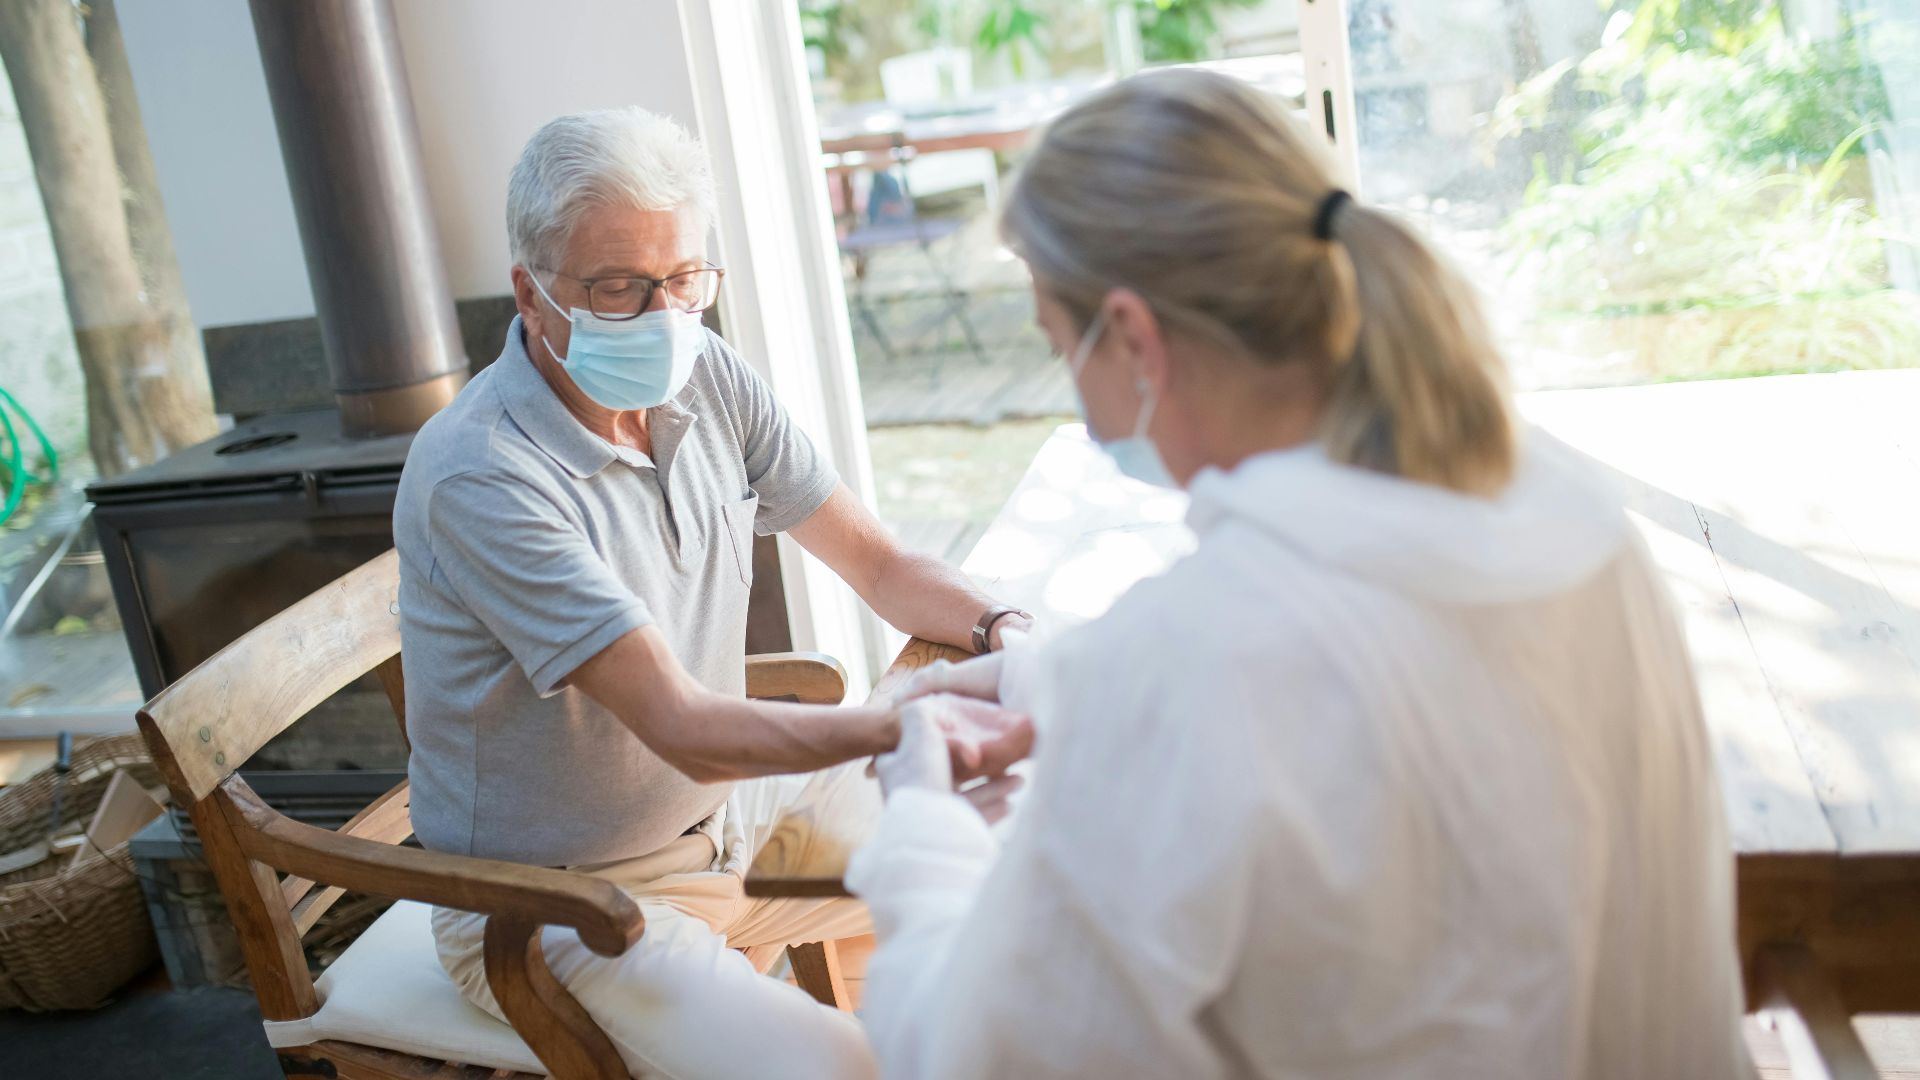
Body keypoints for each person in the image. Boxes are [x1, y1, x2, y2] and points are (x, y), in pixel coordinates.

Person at [846, 69, 1751, 1079]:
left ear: (1136, 339)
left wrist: (922, 828)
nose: (1083, 406)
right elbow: (1383, 697)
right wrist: (1050, 684)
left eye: (1064, 348)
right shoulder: (1569, 518)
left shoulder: (1194, 660)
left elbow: (969, 1056)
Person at [391, 106, 1031, 1080]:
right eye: (617, 289)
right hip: (558, 907)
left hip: (726, 811)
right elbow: (683, 723)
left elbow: (880, 566)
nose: (661, 316)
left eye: (684, 280)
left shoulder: (705, 375)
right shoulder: (481, 473)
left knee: (1029, 846)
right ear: (530, 293)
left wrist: (1003, 630)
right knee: (845, 1071)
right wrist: (898, 723)